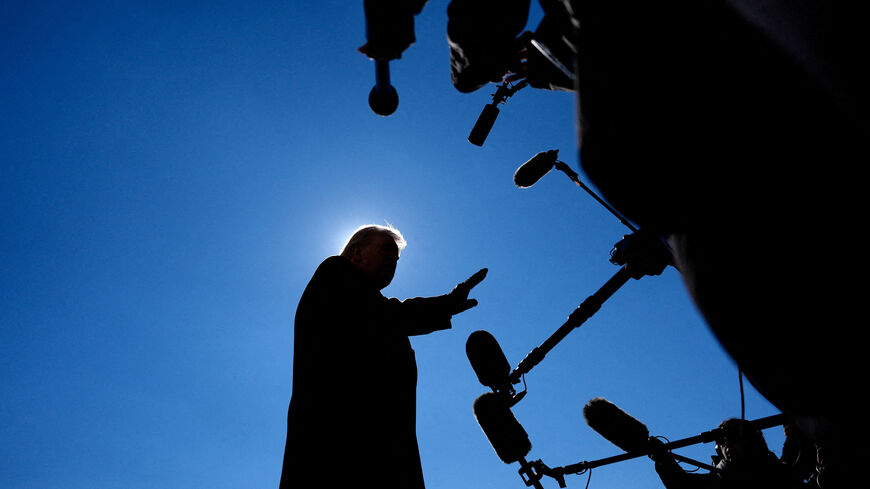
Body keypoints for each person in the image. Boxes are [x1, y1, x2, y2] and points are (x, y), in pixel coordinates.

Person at [279, 225, 487, 489]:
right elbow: (387, 314)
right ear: (357, 253)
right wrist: (445, 303)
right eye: (387, 250)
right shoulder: (335, 273)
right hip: (338, 450)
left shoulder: (373, 311)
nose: (393, 260)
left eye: (397, 258)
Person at [650, 418, 800, 489]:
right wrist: (664, 460)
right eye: (722, 440)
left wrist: (793, 433)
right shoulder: (716, 481)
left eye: (733, 438)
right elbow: (681, 484)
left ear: (750, 442)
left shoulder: (776, 473)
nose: (727, 444)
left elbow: (794, 460)